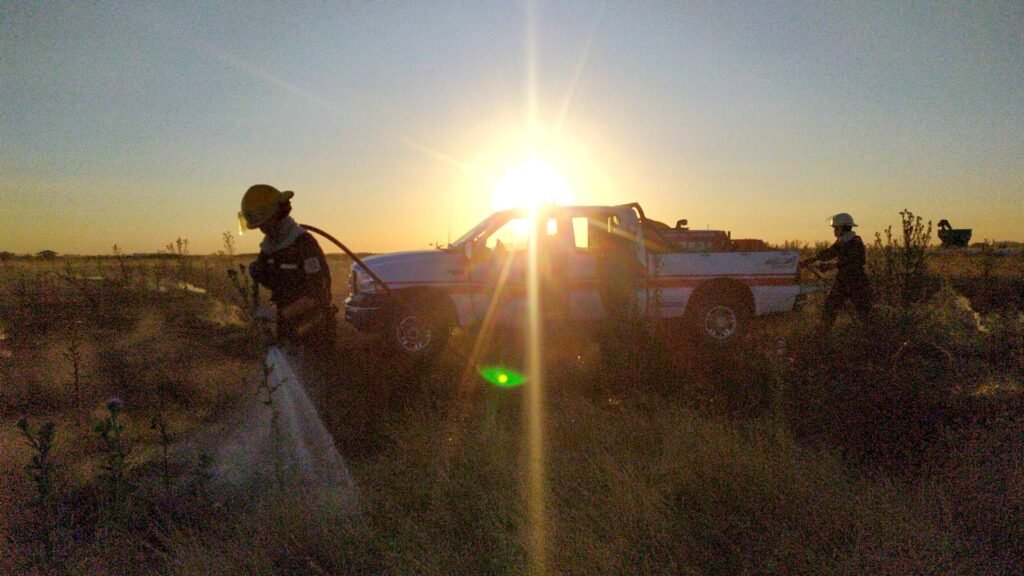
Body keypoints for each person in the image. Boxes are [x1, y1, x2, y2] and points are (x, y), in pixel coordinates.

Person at [238, 184, 336, 346]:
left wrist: (279, 315)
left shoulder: (304, 244)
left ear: (276, 216)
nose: (262, 230)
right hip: (287, 327)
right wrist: (260, 273)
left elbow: (318, 294)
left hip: (315, 330)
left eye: (264, 224)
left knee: (309, 370)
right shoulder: (270, 247)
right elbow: (277, 282)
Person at [801, 212, 873, 331]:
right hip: (843, 281)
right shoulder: (842, 241)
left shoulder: (855, 242)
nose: (834, 231)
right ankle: (822, 334)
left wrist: (831, 266)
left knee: (864, 312)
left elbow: (853, 262)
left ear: (842, 228)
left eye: (835, 228)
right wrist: (810, 260)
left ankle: (873, 337)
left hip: (856, 282)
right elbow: (829, 253)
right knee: (830, 307)